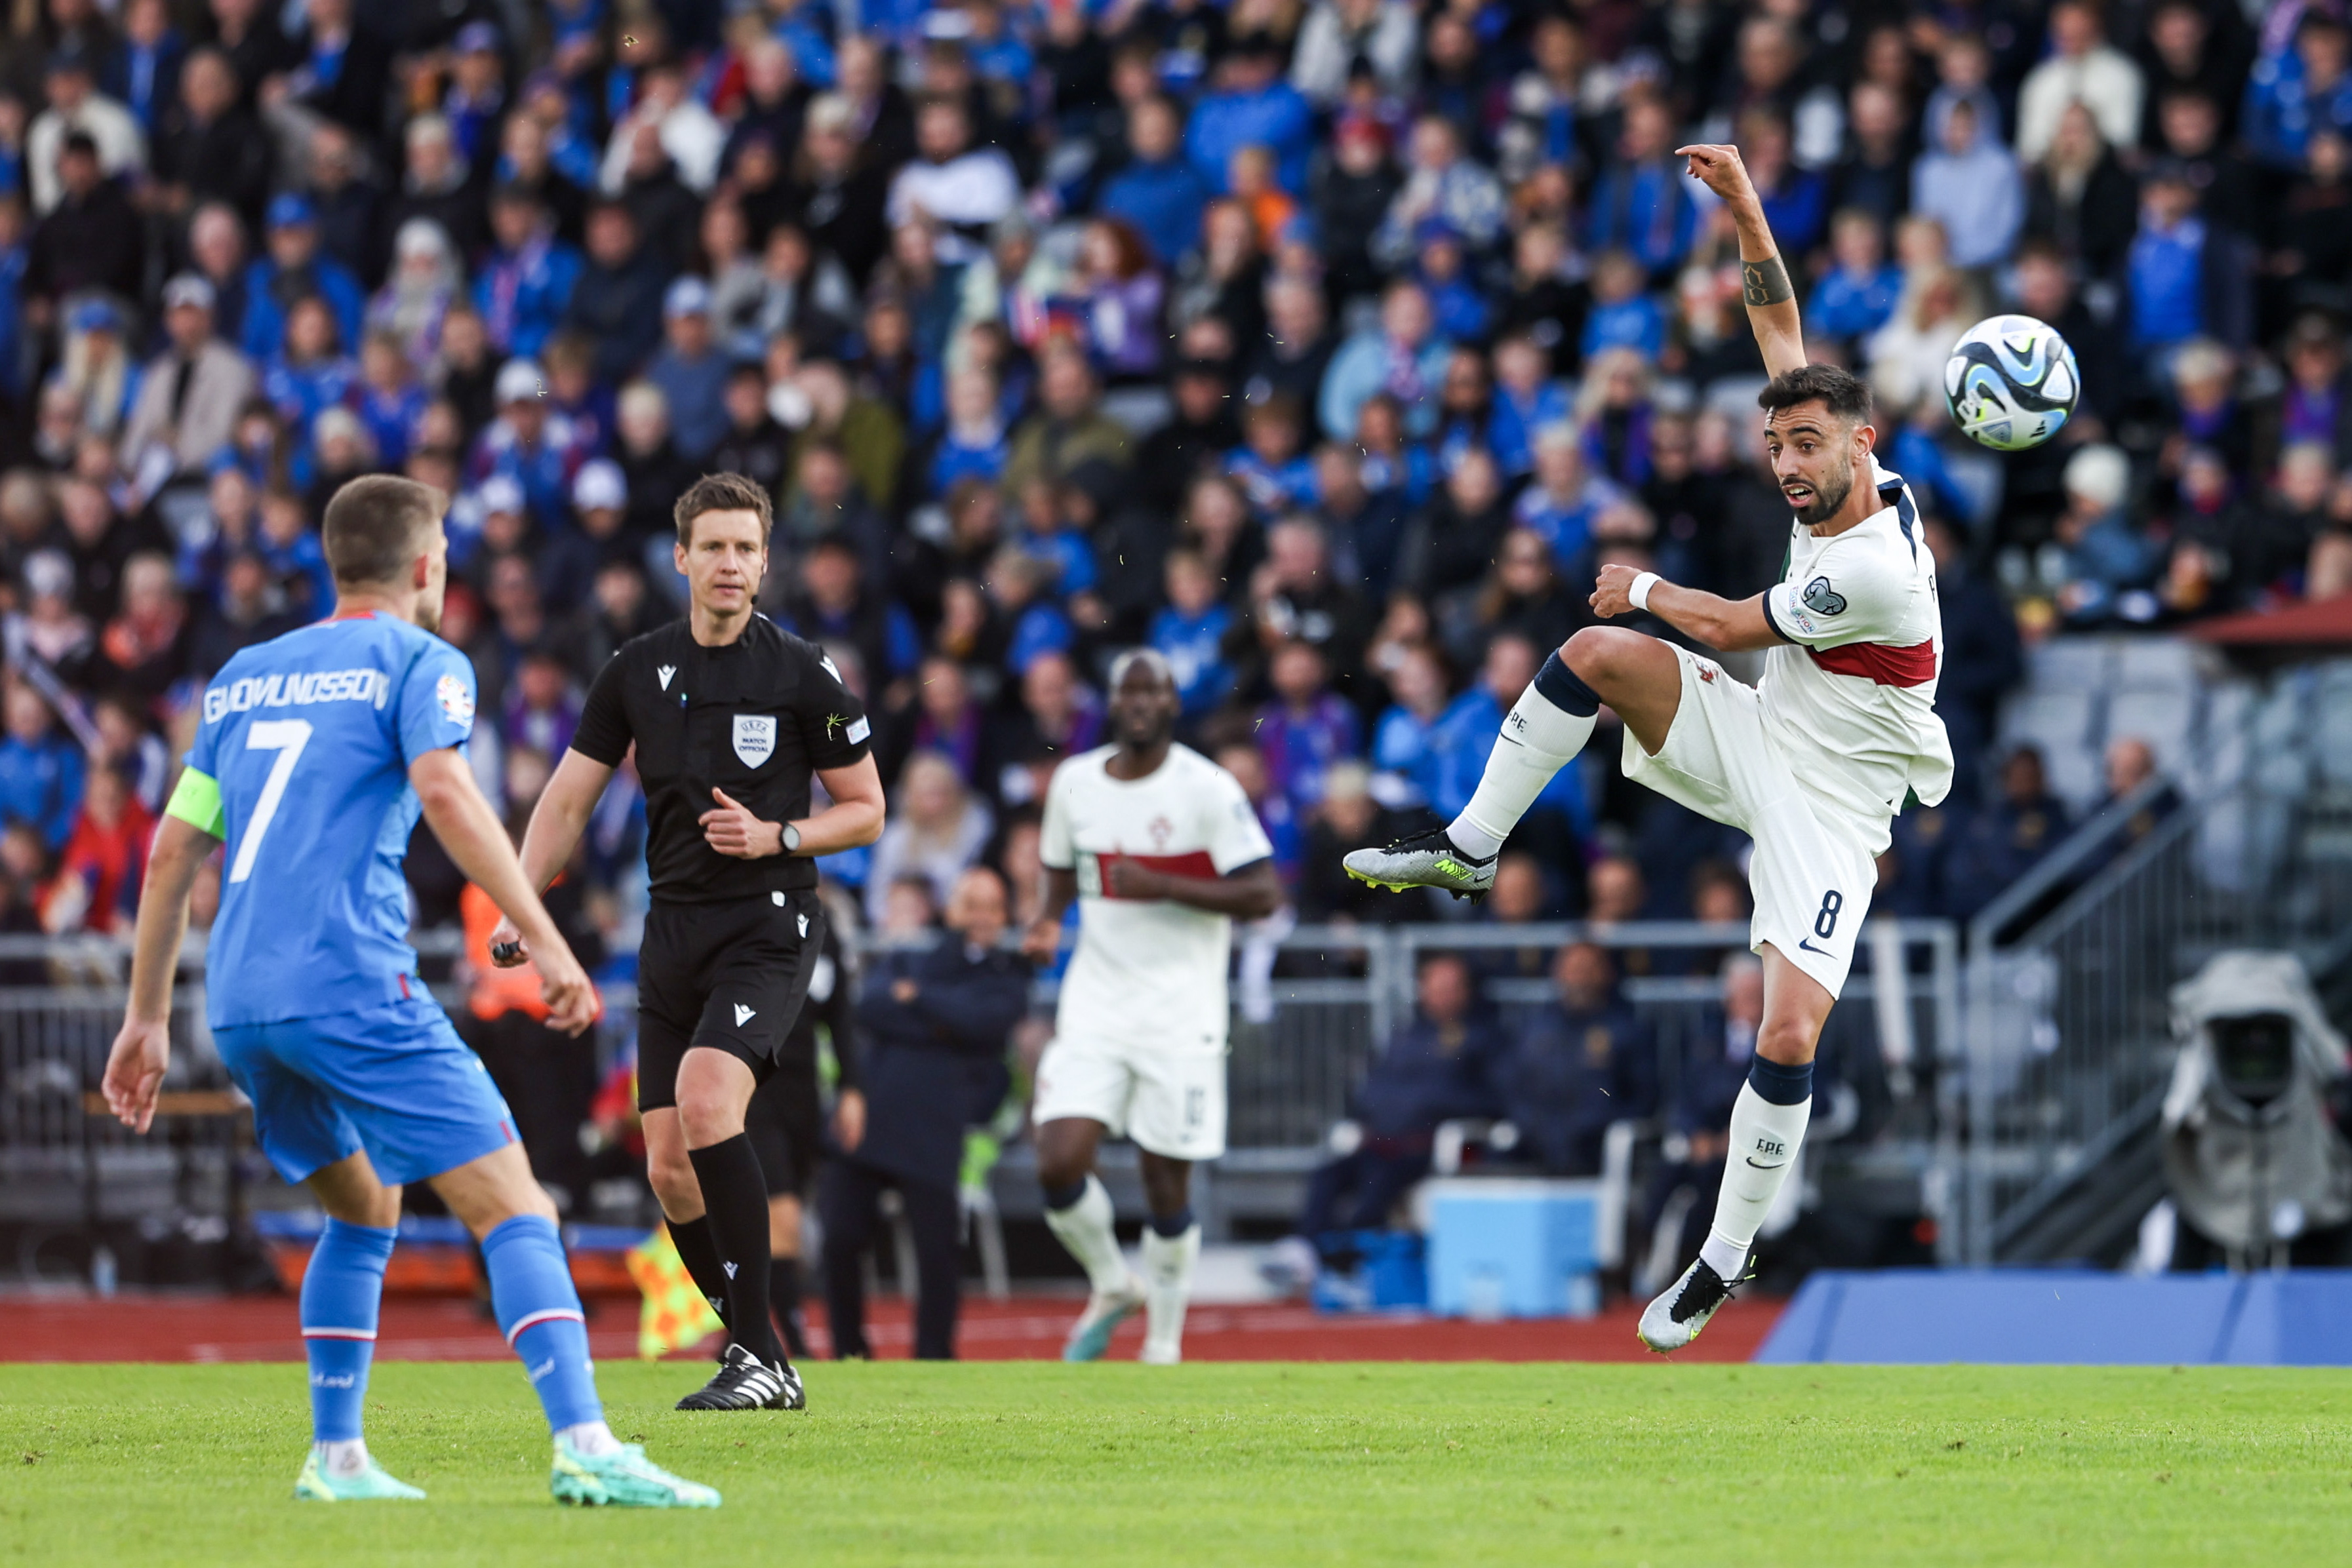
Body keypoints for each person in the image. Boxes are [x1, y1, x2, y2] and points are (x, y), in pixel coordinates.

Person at [1345, 141, 1952, 1354]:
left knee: (1785, 1033)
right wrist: (1745, 206)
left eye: (1806, 446)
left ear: (1857, 442)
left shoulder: (1874, 568)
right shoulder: (1838, 465)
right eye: (1775, 446)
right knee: (1592, 654)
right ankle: (1469, 849)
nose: (1787, 464)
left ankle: (1723, 1257)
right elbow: (1777, 321)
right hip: (1764, 724)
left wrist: (1646, 580)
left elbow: (1726, 623)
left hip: (1835, 802)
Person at [98, 475, 714, 1506]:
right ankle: (588, 1446)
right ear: (427, 566)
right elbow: (442, 789)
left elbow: (171, 853)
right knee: (516, 1203)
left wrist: (146, 1018)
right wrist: (542, 935)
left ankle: (337, 1460)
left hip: (243, 1001)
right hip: (349, 982)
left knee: (367, 1206)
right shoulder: (421, 660)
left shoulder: (243, 677)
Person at [489, 473, 888, 1411]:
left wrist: (778, 835)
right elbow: (569, 798)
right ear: (681, 558)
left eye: (746, 548)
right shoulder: (635, 668)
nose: (730, 564)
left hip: (768, 923)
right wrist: (519, 901)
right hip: (671, 932)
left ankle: (753, 1354)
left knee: (710, 1104)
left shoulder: (801, 671)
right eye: (713, 546)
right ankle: (761, 1350)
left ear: (763, 561)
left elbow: (866, 811)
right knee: (667, 1164)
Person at [1020, 650, 1281, 1365]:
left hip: (1180, 1010)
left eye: (1153, 692)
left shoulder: (1206, 787)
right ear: (1110, 703)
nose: (1139, 703)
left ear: (1171, 705)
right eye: (1126, 692)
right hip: (1096, 1002)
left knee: (1165, 1181)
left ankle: (1163, 1342)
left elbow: (1263, 894)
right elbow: (1055, 866)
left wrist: (1161, 883)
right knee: (1056, 1159)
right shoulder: (1074, 783)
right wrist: (1046, 919)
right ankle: (1111, 1281)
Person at [822, 865, 1028, 1360]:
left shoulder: (1007, 975)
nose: (978, 916)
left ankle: (934, 1356)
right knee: (839, 1238)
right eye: (969, 902)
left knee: (938, 1254)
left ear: (1004, 915)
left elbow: (987, 1021)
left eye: (989, 905)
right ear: (949, 908)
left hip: (936, 1130)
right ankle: (848, 1350)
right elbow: (870, 1006)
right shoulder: (909, 955)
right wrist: (945, 1023)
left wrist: (920, 1002)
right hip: (869, 1120)